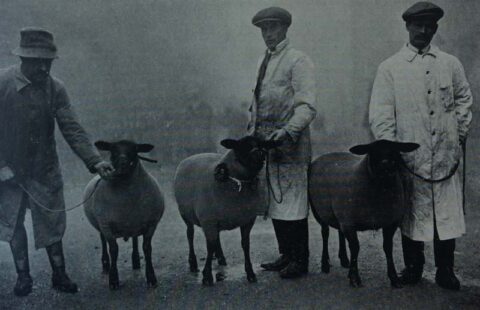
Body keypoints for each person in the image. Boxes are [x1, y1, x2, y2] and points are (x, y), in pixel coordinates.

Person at [0, 27, 114, 296]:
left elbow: (71, 127)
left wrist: (95, 161)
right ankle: (23, 277)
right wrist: (1, 166)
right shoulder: (3, 83)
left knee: (52, 222)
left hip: (44, 169)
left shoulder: (55, 88)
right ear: (23, 59)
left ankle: (59, 275)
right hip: (8, 172)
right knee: (13, 222)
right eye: (36, 62)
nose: (42, 68)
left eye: (47, 62)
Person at [369, 2, 473, 290]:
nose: (423, 31)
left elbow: (464, 99)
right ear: (408, 27)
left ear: (435, 29)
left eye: (429, 26)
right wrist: (390, 147)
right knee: (411, 210)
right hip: (409, 157)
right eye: (418, 25)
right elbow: (381, 112)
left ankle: (445, 269)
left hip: (445, 155)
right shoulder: (390, 67)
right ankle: (413, 267)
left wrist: (459, 134)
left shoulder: (450, 64)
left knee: (445, 212)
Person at [248, 7, 317, 279]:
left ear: (286, 28)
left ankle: (300, 259)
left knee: (294, 200)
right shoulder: (262, 62)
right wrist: (253, 132)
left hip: (291, 143)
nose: (268, 34)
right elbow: (255, 103)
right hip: (265, 143)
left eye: (273, 28)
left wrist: (288, 131)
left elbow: (307, 106)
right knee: (275, 199)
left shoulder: (298, 60)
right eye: (264, 29)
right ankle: (286, 254)